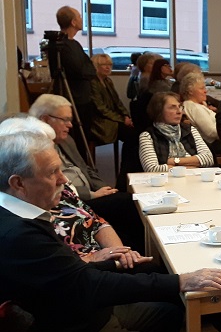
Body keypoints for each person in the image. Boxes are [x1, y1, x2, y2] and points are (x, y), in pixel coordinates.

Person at [0, 131, 221, 332]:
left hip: (74, 318)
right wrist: (179, 281)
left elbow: (73, 279)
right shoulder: (18, 234)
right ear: (18, 183)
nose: (63, 179)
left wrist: (119, 264)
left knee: (168, 314)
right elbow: (89, 285)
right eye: (53, 172)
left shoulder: (20, 214)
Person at [0, 116, 151, 269]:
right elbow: (64, 269)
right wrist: (95, 259)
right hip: (90, 269)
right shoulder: (28, 220)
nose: (63, 179)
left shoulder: (59, 189)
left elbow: (96, 221)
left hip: (103, 255)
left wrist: (121, 252)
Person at [29, 94, 145, 251]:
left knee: (124, 201)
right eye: (65, 119)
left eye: (70, 119)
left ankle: (136, 248)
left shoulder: (66, 140)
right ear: (45, 119)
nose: (70, 125)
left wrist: (104, 187)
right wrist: (93, 194)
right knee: (126, 202)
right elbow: (56, 187)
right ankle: (142, 249)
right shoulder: (37, 151)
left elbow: (86, 168)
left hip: (90, 193)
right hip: (74, 200)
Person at [54, 6, 96, 159]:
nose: (81, 19)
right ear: (73, 22)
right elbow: (80, 70)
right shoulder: (63, 46)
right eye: (79, 16)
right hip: (74, 98)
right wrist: (87, 70)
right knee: (76, 139)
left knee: (85, 136)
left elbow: (90, 68)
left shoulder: (75, 44)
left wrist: (88, 70)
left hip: (83, 97)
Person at [138, 92, 214, 173]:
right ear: (159, 111)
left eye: (180, 107)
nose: (179, 112)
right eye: (172, 107)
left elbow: (209, 159)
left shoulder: (190, 130)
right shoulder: (148, 136)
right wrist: (192, 167)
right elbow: (152, 169)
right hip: (166, 180)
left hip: (195, 178)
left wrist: (174, 161)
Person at [89, 53, 134, 147]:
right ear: (96, 66)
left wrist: (126, 115)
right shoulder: (92, 82)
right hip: (100, 121)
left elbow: (117, 102)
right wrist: (122, 119)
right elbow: (100, 108)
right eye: (104, 65)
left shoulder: (108, 80)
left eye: (109, 64)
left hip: (112, 118)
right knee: (130, 134)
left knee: (136, 132)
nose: (108, 67)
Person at [179, 72, 219, 151]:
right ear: (190, 91)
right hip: (213, 146)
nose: (205, 91)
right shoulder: (194, 108)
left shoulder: (194, 105)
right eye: (202, 88)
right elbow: (212, 132)